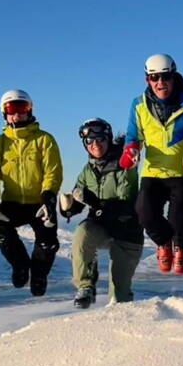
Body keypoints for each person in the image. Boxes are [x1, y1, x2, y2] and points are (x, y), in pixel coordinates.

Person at [119, 54, 183, 275]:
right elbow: (133, 136)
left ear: (174, 75)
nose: (160, 83)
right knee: (144, 213)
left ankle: (181, 244)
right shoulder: (139, 105)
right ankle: (163, 243)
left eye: (165, 77)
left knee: (178, 219)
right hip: (153, 171)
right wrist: (130, 151)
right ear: (147, 80)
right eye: (154, 78)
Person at [0, 89, 64, 296]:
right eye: (11, 108)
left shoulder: (45, 140)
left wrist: (48, 195)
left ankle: (39, 274)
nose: (16, 113)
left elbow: (52, 171)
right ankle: (20, 265)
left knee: (48, 242)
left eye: (22, 108)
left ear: (30, 110)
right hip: (12, 202)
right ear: (4, 113)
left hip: (39, 202)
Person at [58, 118, 144, 308]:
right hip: (103, 227)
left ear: (108, 138)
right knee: (82, 233)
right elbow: (79, 198)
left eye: (99, 138)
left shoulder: (125, 163)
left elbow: (126, 202)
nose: (95, 144)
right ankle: (85, 286)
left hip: (127, 232)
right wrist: (68, 208)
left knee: (119, 297)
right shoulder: (88, 170)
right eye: (89, 141)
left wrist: (94, 203)